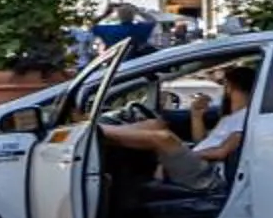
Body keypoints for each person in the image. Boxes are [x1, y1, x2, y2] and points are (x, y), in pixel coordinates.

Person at [98, 62, 254, 195]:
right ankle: (102, 130)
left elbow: (222, 151)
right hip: (202, 164)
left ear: (229, 86)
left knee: (164, 138)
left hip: (211, 175)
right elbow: (202, 142)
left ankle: (97, 133)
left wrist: (187, 154)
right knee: (155, 125)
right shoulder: (229, 118)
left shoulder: (247, 117)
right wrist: (196, 116)